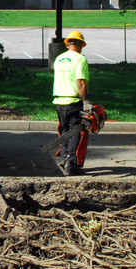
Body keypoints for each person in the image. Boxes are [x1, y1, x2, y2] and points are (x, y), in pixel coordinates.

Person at [51, 30, 91, 176]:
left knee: (64, 130)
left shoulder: (59, 59)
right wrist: (86, 101)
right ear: (81, 44)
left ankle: (63, 158)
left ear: (68, 44)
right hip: (73, 100)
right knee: (75, 131)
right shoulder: (80, 59)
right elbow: (80, 82)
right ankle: (71, 163)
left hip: (59, 100)